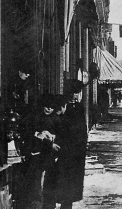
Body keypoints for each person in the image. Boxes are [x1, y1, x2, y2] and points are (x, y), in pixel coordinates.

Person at [20, 93, 60, 209]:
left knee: (49, 180)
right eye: (47, 106)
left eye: (52, 107)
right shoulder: (34, 117)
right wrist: (38, 134)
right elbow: (26, 132)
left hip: (50, 155)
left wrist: (53, 139)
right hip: (36, 154)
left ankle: (49, 205)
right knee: (35, 181)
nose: (49, 109)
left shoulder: (56, 119)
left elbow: (60, 135)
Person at [54, 79, 88, 209]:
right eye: (73, 92)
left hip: (76, 150)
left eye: (77, 92)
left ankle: (67, 205)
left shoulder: (79, 107)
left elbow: (82, 128)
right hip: (62, 148)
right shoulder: (61, 105)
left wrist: (83, 144)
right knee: (61, 180)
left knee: (72, 182)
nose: (75, 95)